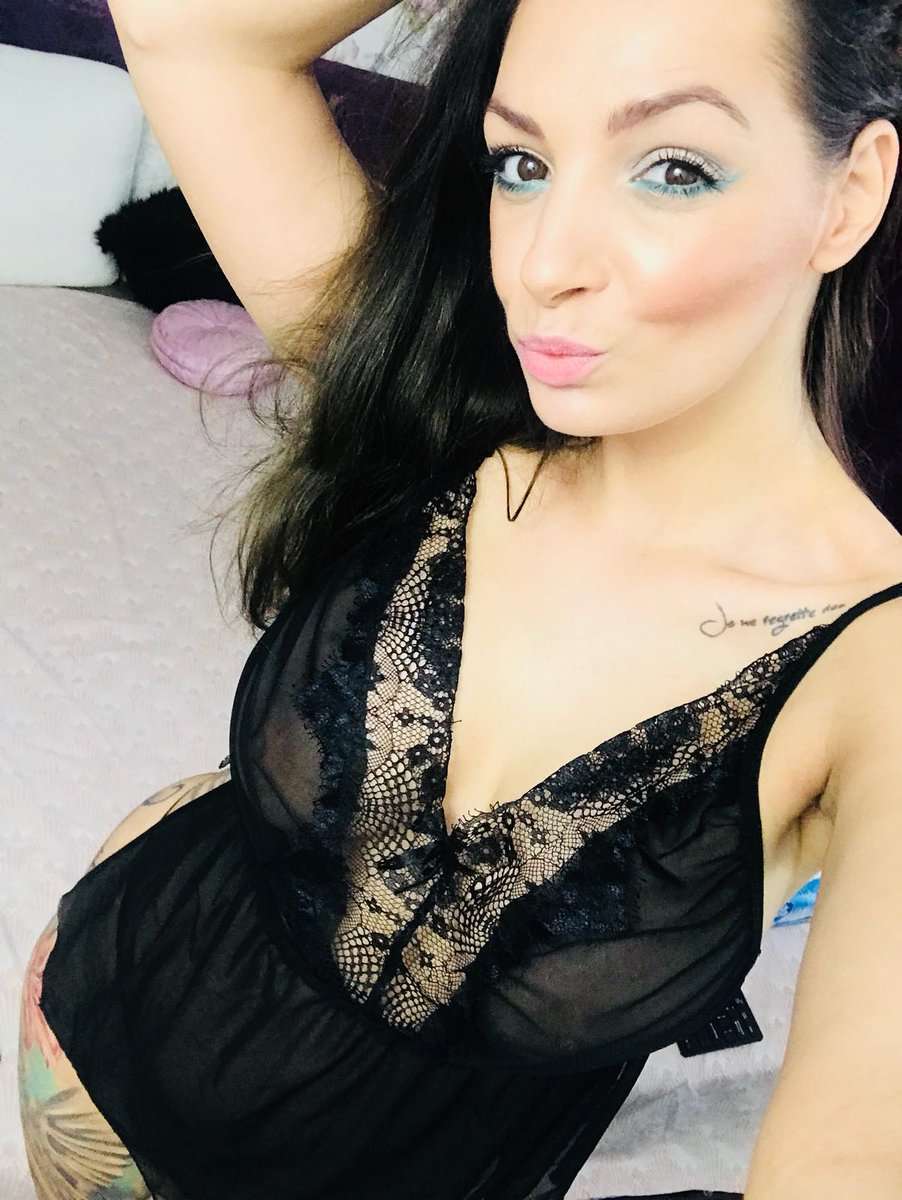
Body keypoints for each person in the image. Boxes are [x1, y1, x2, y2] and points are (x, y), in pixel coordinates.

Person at [19, 0, 902, 1198]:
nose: (542, 266)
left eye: (671, 169)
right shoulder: (437, 405)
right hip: (89, 1037)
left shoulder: (869, 669)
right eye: (520, 164)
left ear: (849, 192)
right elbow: (188, 31)